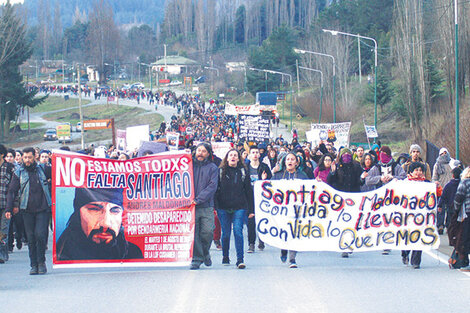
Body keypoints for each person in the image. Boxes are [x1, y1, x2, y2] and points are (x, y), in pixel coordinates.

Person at [56, 188, 143, 260]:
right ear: (78, 213)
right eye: (94, 209)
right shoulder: (63, 252)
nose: (105, 224)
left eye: (115, 211)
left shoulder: (132, 253)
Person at [6, 147, 52, 275]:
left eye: (29, 157)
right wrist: (9, 208)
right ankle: (34, 265)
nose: (27, 160)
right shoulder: (18, 172)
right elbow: (12, 191)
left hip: (43, 209)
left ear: (34, 157)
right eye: (25, 157)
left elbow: (60, 173)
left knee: (40, 235)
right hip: (26, 210)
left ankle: (41, 262)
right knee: (31, 238)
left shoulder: (43, 169)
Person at [215, 149, 253, 269]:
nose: (233, 157)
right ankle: (225, 256)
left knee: (238, 231)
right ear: (226, 158)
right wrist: (215, 207)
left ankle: (240, 259)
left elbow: (248, 191)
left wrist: (251, 210)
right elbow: (215, 191)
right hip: (223, 207)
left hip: (239, 207)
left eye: (235, 155)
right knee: (225, 234)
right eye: (230, 155)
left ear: (238, 158)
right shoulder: (219, 172)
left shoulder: (243, 172)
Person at [365, 146, 406, 255]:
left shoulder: (396, 166)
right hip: (380, 198)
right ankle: (384, 241)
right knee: (382, 220)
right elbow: (368, 180)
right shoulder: (376, 167)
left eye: (385, 154)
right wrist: (379, 178)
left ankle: (389, 241)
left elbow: (404, 176)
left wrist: (393, 177)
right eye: (381, 154)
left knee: (390, 220)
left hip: (393, 198)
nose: (382, 156)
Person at [273, 152, 308, 268]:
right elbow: (269, 189)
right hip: (282, 210)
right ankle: (283, 249)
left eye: (293, 159)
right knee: (284, 232)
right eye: (288, 159)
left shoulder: (302, 175)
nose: (290, 161)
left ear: (297, 163)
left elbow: (309, 190)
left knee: (295, 233)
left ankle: (292, 259)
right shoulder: (278, 175)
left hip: (297, 210)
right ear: (284, 162)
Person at [190, 143, 218, 270]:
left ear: (208, 153)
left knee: (207, 232)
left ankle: (205, 253)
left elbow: (212, 186)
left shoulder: (212, 167)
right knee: (194, 233)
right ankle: (197, 258)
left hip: (206, 205)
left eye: (203, 151)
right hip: (191, 206)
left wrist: (199, 199)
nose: (200, 153)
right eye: (198, 150)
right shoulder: (188, 165)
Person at [401, 162, 428, 269]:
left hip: (421, 216)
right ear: (411, 172)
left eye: (420, 170)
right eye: (416, 170)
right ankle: (405, 252)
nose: (418, 173)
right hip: (407, 215)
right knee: (407, 236)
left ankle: (416, 261)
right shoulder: (405, 183)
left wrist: (437, 188)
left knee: (419, 236)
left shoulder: (426, 184)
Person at [246, 146, 272, 253]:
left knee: (262, 219)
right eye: (253, 152)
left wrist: (264, 179)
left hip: (261, 197)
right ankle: (251, 244)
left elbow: (271, 180)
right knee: (251, 221)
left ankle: (262, 239)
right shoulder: (246, 167)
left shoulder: (264, 167)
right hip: (249, 197)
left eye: (257, 152)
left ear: (259, 154)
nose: (255, 154)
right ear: (250, 155)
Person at [451, 167, 470, 270]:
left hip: (467, 213)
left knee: (465, 238)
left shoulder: (465, 183)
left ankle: (465, 262)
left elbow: (458, 197)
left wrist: (456, 209)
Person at [433, 148, 453, 234]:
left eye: (445, 153)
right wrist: (436, 183)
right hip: (441, 189)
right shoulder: (437, 164)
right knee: (441, 209)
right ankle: (440, 225)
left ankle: (449, 225)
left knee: (450, 209)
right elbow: (434, 177)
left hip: (450, 189)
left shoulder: (451, 163)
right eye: (442, 153)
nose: (444, 155)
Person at [441, 167, 463, 248]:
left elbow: (443, 196)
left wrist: (440, 205)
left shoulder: (448, 185)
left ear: (452, 175)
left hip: (450, 206)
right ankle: (457, 238)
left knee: (451, 223)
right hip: (460, 207)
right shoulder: (461, 184)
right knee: (459, 224)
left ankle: (451, 239)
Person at [0, 145, 15, 263]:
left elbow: (14, 188)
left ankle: (3, 253)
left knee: (4, 230)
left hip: (6, 205)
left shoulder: (9, 168)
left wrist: (14, 205)